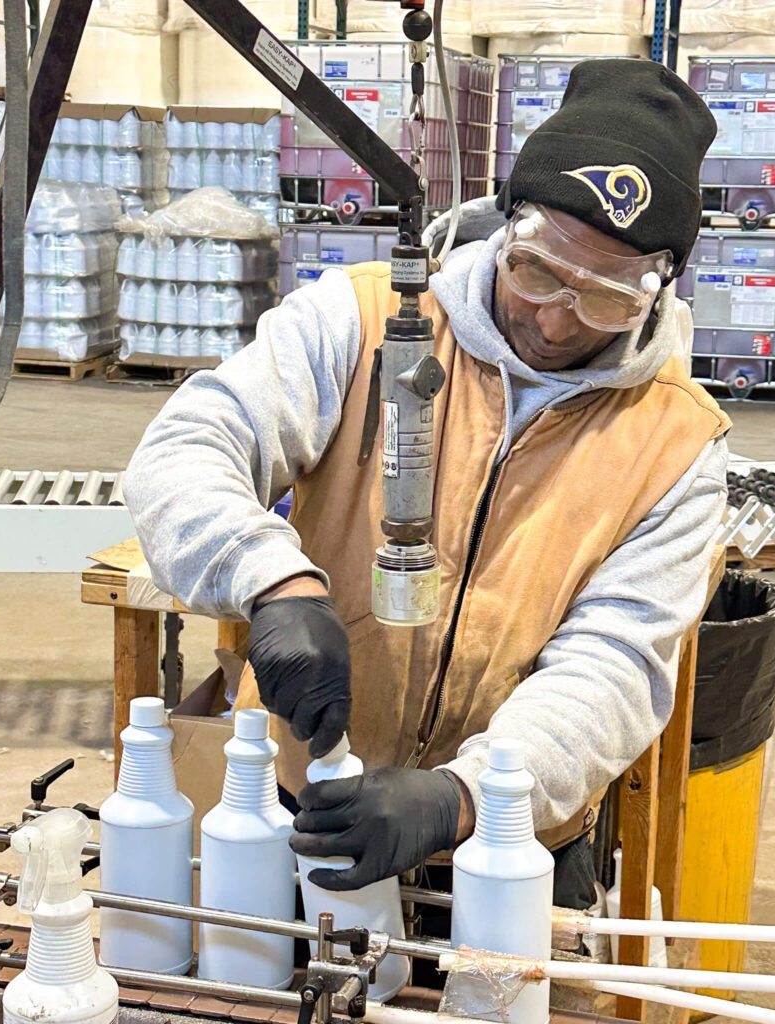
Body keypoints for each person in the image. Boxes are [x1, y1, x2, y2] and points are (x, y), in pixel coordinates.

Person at [125, 59, 730, 921]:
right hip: (305, 806)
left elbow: (618, 661)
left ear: (661, 286)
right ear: (507, 222)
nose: (557, 319)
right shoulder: (366, 317)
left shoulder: (675, 441)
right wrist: (272, 581)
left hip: (506, 842)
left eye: (604, 298)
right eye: (540, 272)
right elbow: (188, 445)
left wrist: (466, 796)